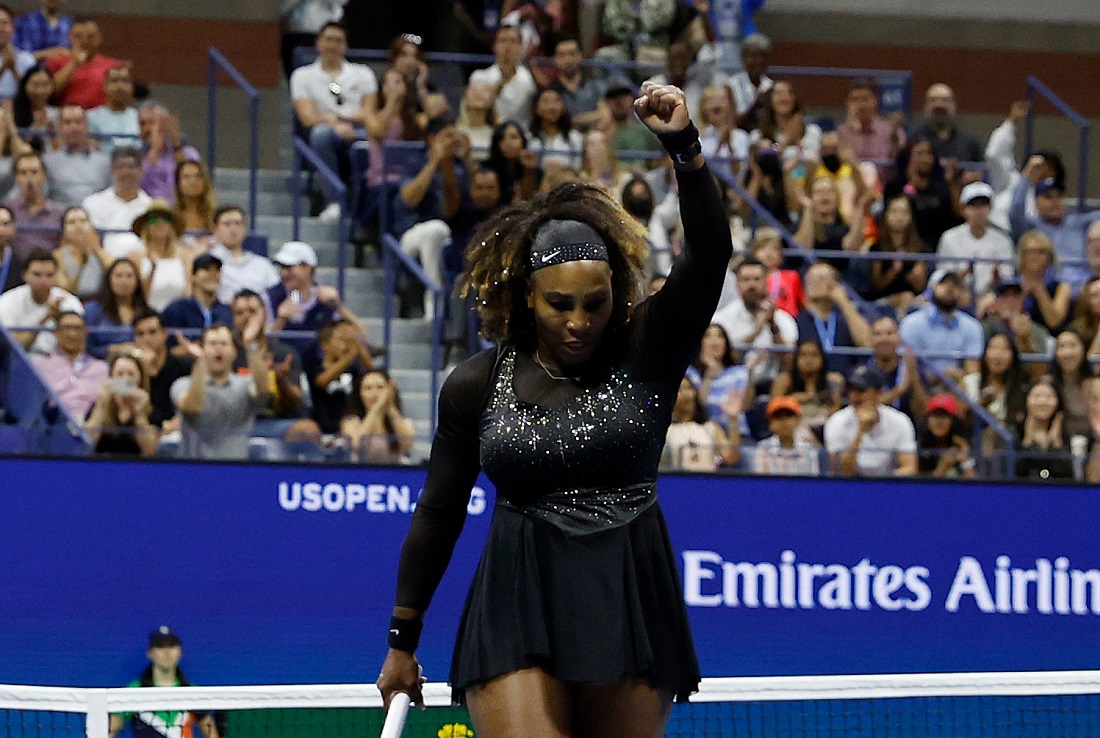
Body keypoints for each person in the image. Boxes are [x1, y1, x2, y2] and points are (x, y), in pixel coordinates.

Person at [377, 83, 729, 736]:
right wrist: (403, 638)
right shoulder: (475, 384)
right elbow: (439, 510)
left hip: (627, 585)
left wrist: (684, 148)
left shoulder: (649, 349)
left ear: (616, 291)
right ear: (523, 298)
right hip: (519, 589)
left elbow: (708, 259)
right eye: (558, 305)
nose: (578, 322)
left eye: (594, 304)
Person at [290, 21, 376, 222]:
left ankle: (367, 209)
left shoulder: (363, 74)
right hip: (328, 132)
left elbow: (369, 114)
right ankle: (335, 202)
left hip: (361, 132)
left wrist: (339, 118)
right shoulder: (302, 76)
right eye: (328, 40)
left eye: (338, 41)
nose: (333, 45)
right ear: (318, 44)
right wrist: (334, 125)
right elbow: (307, 118)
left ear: (345, 46)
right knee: (320, 134)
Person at [171, 319, 269, 460]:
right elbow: (191, 407)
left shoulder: (244, 384)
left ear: (234, 351)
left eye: (224, 344)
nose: (218, 349)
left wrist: (250, 345)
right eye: (212, 344)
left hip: (235, 470)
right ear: (202, 348)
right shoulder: (182, 384)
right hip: (194, 469)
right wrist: (201, 363)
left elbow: (263, 391)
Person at [107, 626, 220, 738]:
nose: (167, 652)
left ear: (180, 651)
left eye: (171, 646)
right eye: (160, 646)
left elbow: (211, 732)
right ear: (150, 653)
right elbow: (109, 732)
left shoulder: (192, 693)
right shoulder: (134, 692)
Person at [1009, 156, 1100, 289]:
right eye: (1048, 197)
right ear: (1036, 202)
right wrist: (1027, 175)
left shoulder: (1077, 223)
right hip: (1047, 288)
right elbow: (1015, 210)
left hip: (1082, 291)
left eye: (1059, 196)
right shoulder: (1031, 227)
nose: (1055, 201)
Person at [711, 256, 797, 392]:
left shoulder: (783, 320)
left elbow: (789, 364)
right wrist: (756, 331)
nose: (751, 285)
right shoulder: (721, 320)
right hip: (732, 387)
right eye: (746, 280)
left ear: (766, 283)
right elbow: (720, 361)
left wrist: (773, 327)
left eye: (757, 279)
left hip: (773, 388)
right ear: (737, 284)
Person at [824, 364, 918, 477]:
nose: (854, 396)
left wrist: (879, 485)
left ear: (879, 393)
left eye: (860, 390)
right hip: (850, 487)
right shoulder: (836, 422)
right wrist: (860, 432)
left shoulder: (900, 421)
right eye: (851, 390)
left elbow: (909, 468)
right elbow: (840, 471)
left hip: (888, 486)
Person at [899, 269, 983, 379]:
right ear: (931, 289)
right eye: (943, 283)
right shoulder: (911, 324)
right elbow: (907, 368)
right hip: (919, 387)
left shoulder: (972, 327)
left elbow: (972, 372)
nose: (950, 288)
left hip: (957, 388)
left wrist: (957, 377)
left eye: (955, 284)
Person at [936, 180, 1014, 299]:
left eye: (983, 205)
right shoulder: (949, 238)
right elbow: (943, 276)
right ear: (964, 209)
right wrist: (962, 276)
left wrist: (997, 279)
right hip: (958, 294)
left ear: (990, 208)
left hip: (993, 296)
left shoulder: (1003, 240)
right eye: (973, 205)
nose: (979, 211)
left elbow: (1007, 277)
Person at [794, 262, 871, 375]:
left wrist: (844, 302)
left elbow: (867, 344)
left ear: (835, 284)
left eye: (821, 278)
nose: (812, 282)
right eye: (809, 278)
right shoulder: (799, 319)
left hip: (849, 382)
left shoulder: (847, 315)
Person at [0, 248, 81, 354]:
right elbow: (15, 347)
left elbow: (76, 346)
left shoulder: (69, 302)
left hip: (59, 363)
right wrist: (45, 318)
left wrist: (59, 319)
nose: (44, 281)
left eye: (49, 275)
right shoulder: (8, 301)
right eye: (37, 275)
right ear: (25, 275)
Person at [31, 309, 108, 419]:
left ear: (86, 332)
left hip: (91, 426)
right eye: (67, 328)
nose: (72, 334)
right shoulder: (40, 366)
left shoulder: (101, 368)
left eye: (77, 328)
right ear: (56, 333)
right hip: (54, 424)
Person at [85, 346, 158, 456]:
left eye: (130, 374)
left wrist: (139, 415)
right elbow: (86, 444)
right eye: (120, 374)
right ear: (111, 378)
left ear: (140, 378)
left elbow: (150, 451)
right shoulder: (98, 405)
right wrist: (101, 406)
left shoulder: (149, 408)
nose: (125, 379)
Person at [82, 146, 153, 258]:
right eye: (120, 167)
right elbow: (91, 242)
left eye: (131, 166)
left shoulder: (151, 206)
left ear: (141, 170)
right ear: (112, 170)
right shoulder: (93, 203)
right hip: (103, 263)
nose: (126, 172)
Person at [129, 308, 191, 430]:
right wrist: (146, 372)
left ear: (164, 334)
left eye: (152, 332)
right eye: (140, 334)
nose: (146, 339)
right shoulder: (129, 369)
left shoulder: (184, 367)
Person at [662, 376, 739, 471]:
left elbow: (731, 457)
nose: (687, 395)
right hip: (678, 482)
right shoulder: (666, 430)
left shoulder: (710, 427)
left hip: (707, 482)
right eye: (680, 390)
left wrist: (733, 420)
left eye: (689, 388)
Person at [44, 17, 123, 109]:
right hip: (67, 118)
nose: (85, 41)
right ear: (70, 37)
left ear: (99, 38)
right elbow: (48, 91)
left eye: (91, 37)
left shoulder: (113, 66)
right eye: (79, 36)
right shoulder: (55, 61)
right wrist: (74, 63)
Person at [770, 339, 843, 438]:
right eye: (803, 355)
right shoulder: (784, 380)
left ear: (822, 358)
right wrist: (794, 399)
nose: (808, 360)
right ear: (796, 358)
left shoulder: (833, 380)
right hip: (792, 427)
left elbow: (836, 409)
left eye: (814, 355)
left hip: (824, 428)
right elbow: (774, 409)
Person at [468, 25, 537, 128]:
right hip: (487, 133)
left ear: (521, 46)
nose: (508, 46)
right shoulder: (479, 77)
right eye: (503, 41)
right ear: (494, 46)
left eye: (513, 41)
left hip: (523, 134)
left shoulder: (530, 79)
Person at [312, 318, 373, 435]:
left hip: (352, 427)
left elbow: (371, 373)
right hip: (324, 428)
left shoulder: (353, 369)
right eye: (340, 340)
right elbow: (322, 381)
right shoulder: (314, 366)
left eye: (347, 341)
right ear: (325, 345)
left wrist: (358, 345)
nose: (344, 346)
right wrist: (351, 354)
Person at [866, 195, 927, 312]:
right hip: (883, 301)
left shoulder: (919, 248)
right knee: (906, 297)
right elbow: (875, 288)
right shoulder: (877, 248)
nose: (900, 217)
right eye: (894, 211)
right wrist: (893, 272)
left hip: (915, 300)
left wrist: (916, 279)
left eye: (904, 212)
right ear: (886, 215)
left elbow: (921, 288)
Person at [341, 368, 416, 463]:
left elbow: (407, 444)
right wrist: (376, 409)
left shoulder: (404, 422)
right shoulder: (351, 422)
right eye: (368, 388)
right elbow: (358, 445)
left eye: (380, 387)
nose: (374, 393)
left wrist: (390, 406)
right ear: (360, 393)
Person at [207, 206, 279, 304]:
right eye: (227, 224)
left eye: (237, 224)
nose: (233, 229)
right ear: (215, 229)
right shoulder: (208, 262)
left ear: (245, 228)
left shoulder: (262, 264)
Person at [44, 104, 111, 207]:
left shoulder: (105, 162)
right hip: (61, 218)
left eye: (78, 122)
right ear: (59, 128)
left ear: (87, 126)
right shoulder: (48, 162)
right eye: (67, 123)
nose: (74, 128)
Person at [133, 199, 194, 312]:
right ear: (146, 226)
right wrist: (152, 270)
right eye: (153, 219)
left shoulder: (185, 256)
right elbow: (136, 296)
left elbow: (189, 291)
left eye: (165, 219)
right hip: (146, 314)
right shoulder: (135, 256)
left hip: (177, 316)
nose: (159, 223)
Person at [83, 257, 148, 358]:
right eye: (119, 276)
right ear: (109, 279)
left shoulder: (146, 311)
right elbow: (86, 346)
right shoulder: (93, 310)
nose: (124, 281)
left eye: (129, 276)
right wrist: (113, 350)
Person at [138, 102, 202, 202]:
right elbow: (139, 186)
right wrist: (154, 151)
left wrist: (176, 146)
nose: (147, 129)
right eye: (142, 123)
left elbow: (192, 182)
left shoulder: (189, 153)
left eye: (152, 123)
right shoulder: (135, 154)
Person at [6, 150, 66, 257]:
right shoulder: (7, 210)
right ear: (16, 178)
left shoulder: (59, 213)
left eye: (34, 172)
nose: (29, 179)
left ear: (44, 176)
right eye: (23, 173)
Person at [1048, 329, 1100, 444]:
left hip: (1093, 444)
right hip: (1059, 446)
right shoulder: (1048, 385)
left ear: (1083, 349)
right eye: (1062, 346)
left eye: (1073, 345)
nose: (1067, 353)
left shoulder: (1095, 385)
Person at [1015, 378, 1073, 482]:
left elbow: (1068, 474)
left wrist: (1056, 445)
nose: (1043, 402)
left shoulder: (1066, 432)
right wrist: (1028, 442)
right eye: (1037, 396)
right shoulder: (1014, 431)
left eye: (1049, 397)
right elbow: (1016, 471)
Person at [909, 83, 983, 165]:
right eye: (933, 100)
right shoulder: (912, 141)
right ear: (925, 106)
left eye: (945, 100)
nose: (939, 104)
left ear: (954, 105)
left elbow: (982, 174)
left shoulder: (970, 143)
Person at [837, 77, 904, 164]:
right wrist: (854, 132)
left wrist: (894, 137)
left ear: (875, 101)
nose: (861, 105)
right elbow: (843, 163)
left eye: (865, 99)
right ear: (847, 104)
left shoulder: (891, 130)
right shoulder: (840, 132)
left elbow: (899, 162)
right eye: (855, 100)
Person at [161, 253, 233, 332]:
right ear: (193, 276)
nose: (213, 274)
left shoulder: (226, 311)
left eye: (217, 270)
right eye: (207, 269)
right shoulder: (177, 309)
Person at [753, 395, 821, 475]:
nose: (784, 422)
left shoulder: (809, 449)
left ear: (798, 420)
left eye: (789, 416)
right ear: (770, 423)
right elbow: (761, 482)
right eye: (778, 417)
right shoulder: (763, 449)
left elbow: (813, 482)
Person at [85, 64, 139, 156]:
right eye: (114, 81)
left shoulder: (141, 117)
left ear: (132, 87)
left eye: (125, 81)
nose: (120, 86)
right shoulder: (90, 117)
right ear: (104, 86)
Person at [917, 393, 974, 478]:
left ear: (953, 421)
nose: (939, 422)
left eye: (944, 416)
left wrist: (965, 460)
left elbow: (975, 486)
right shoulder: (920, 446)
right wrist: (944, 466)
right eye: (935, 415)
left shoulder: (963, 444)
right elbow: (920, 488)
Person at [526, 86, 584, 170]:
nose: (551, 107)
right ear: (536, 108)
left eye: (556, 101)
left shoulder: (575, 137)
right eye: (545, 101)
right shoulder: (528, 138)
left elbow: (579, 169)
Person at [172, 160, 217, 245]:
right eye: (186, 177)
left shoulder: (215, 215)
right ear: (178, 183)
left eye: (198, 176)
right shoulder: (172, 216)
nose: (193, 181)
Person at [0, 7, 37, 105]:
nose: (1, 28)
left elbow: (35, 93)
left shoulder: (27, 59)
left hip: (19, 110)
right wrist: (3, 68)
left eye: (5, 23)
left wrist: (13, 69)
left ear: (13, 29)